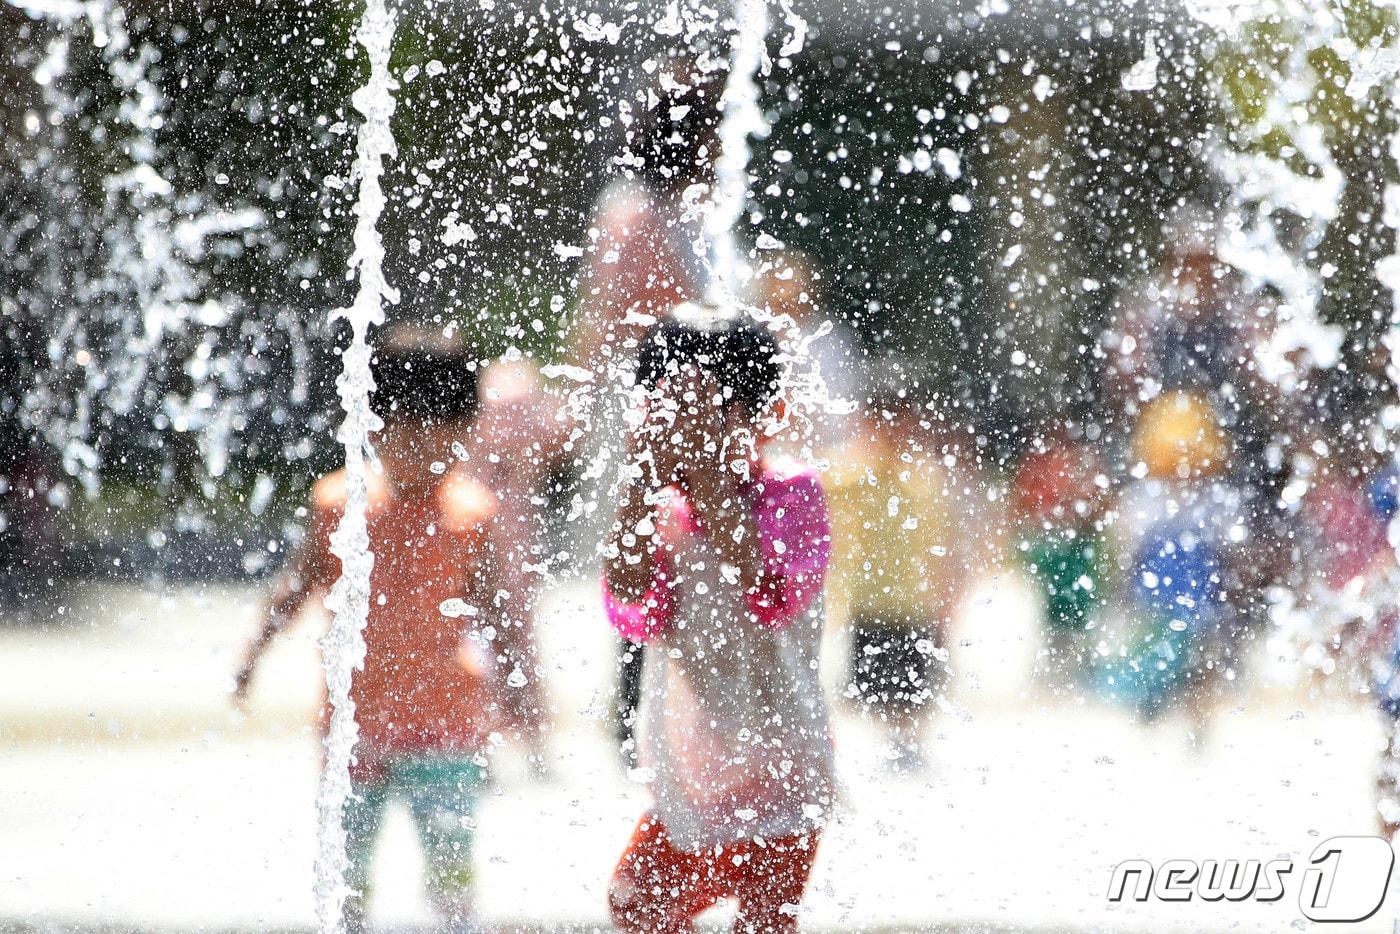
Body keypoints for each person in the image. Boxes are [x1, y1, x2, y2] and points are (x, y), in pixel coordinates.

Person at [232, 323, 515, 933]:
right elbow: (297, 586)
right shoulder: (341, 503)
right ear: (371, 426)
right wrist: (252, 656)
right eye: (399, 426)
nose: (416, 443)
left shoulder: (470, 515)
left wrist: (518, 693)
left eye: (437, 427)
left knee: (451, 865)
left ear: (465, 431)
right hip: (355, 722)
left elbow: (497, 611)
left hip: (448, 724)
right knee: (347, 868)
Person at [602, 303, 834, 934]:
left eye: (711, 413)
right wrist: (641, 483)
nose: (691, 432)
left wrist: (706, 480)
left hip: (779, 767)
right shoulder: (660, 509)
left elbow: (768, 594)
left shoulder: (793, 494)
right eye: (670, 411)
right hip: (690, 766)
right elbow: (629, 607)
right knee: (636, 905)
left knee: (762, 925)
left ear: (771, 415)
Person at [568, 55, 725, 758]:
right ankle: (638, 713)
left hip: (681, 402)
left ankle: (674, 708)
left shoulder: (680, 214)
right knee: (648, 545)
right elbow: (605, 321)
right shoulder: (638, 214)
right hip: (649, 400)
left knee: (689, 548)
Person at [825, 366, 968, 770]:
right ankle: (891, 747)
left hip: (912, 600)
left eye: (899, 420)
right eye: (882, 420)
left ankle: (907, 745)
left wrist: (949, 591)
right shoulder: (850, 471)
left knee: (914, 685)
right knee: (872, 687)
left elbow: (941, 542)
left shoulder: (921, 476)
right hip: (868, 600)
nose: (892, 431)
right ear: (866, 422)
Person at [1009, 427, 1110, 681]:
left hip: (1073, 543)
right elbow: (1021, 506)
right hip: (1050, 542)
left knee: (1077, 605)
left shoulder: (1080, 464)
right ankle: (1058, 660)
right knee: (1052, 604)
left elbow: (1100, 504)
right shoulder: (1041, 464)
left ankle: (1076, 661)